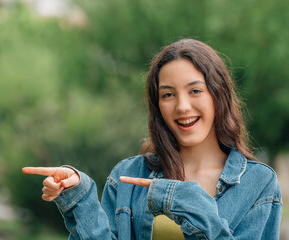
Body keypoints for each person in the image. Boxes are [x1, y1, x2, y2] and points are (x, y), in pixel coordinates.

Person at [22, 39, 282, 239]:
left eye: (195, 91)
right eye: (168, 95)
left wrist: (189, 203)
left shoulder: (258, 184)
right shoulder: (128, 175)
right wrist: (80, 197)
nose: (182, 106)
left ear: (218, 95)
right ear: (157, 106)